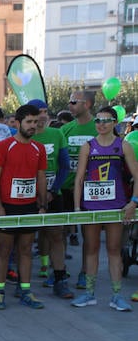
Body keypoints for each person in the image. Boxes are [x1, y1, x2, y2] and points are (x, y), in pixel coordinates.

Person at [72, 106, 138, 311]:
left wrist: (133, 202)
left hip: (115, 206)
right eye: (98, 121)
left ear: (114, 123)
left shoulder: (123, 145)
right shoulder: (88, 146)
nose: (101, 124)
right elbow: (79, 178)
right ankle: (89, 293)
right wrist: (76, 207)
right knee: (91, 249)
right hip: (91, 206)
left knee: (113, 250)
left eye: (106, 121)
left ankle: (116, 295)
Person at [0, 104, 47, 310]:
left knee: (25, 250)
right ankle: (0, 291)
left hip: (29, 206)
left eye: (36, 122)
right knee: (4, 251)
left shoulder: (39, 148)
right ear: (18, 122)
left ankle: (25, 290)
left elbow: (40, 177)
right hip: (7, 206)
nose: (33, 126)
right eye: (29, 122)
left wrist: (42, 204)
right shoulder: (4, 146)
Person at [29, 99, 73, 299]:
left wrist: (53, 191)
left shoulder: (57, 134)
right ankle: (23, 285)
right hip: (28, 197)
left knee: (56, 236)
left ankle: (60, 279)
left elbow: (65, 166)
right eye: (39, 111)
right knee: (25, 240)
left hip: (54, 195)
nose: (43, 115)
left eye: (46, 110)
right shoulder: (23, 136)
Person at [61, 90, 98, 288]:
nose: (70, 105)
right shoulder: (66, 129)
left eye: (74, 102)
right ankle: (60, 271)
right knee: (61, 233)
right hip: (67, 189)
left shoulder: (99, 128)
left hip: (91, 190)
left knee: (88, 234)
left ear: (88, 104)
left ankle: (85, 272)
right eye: (69, 101)